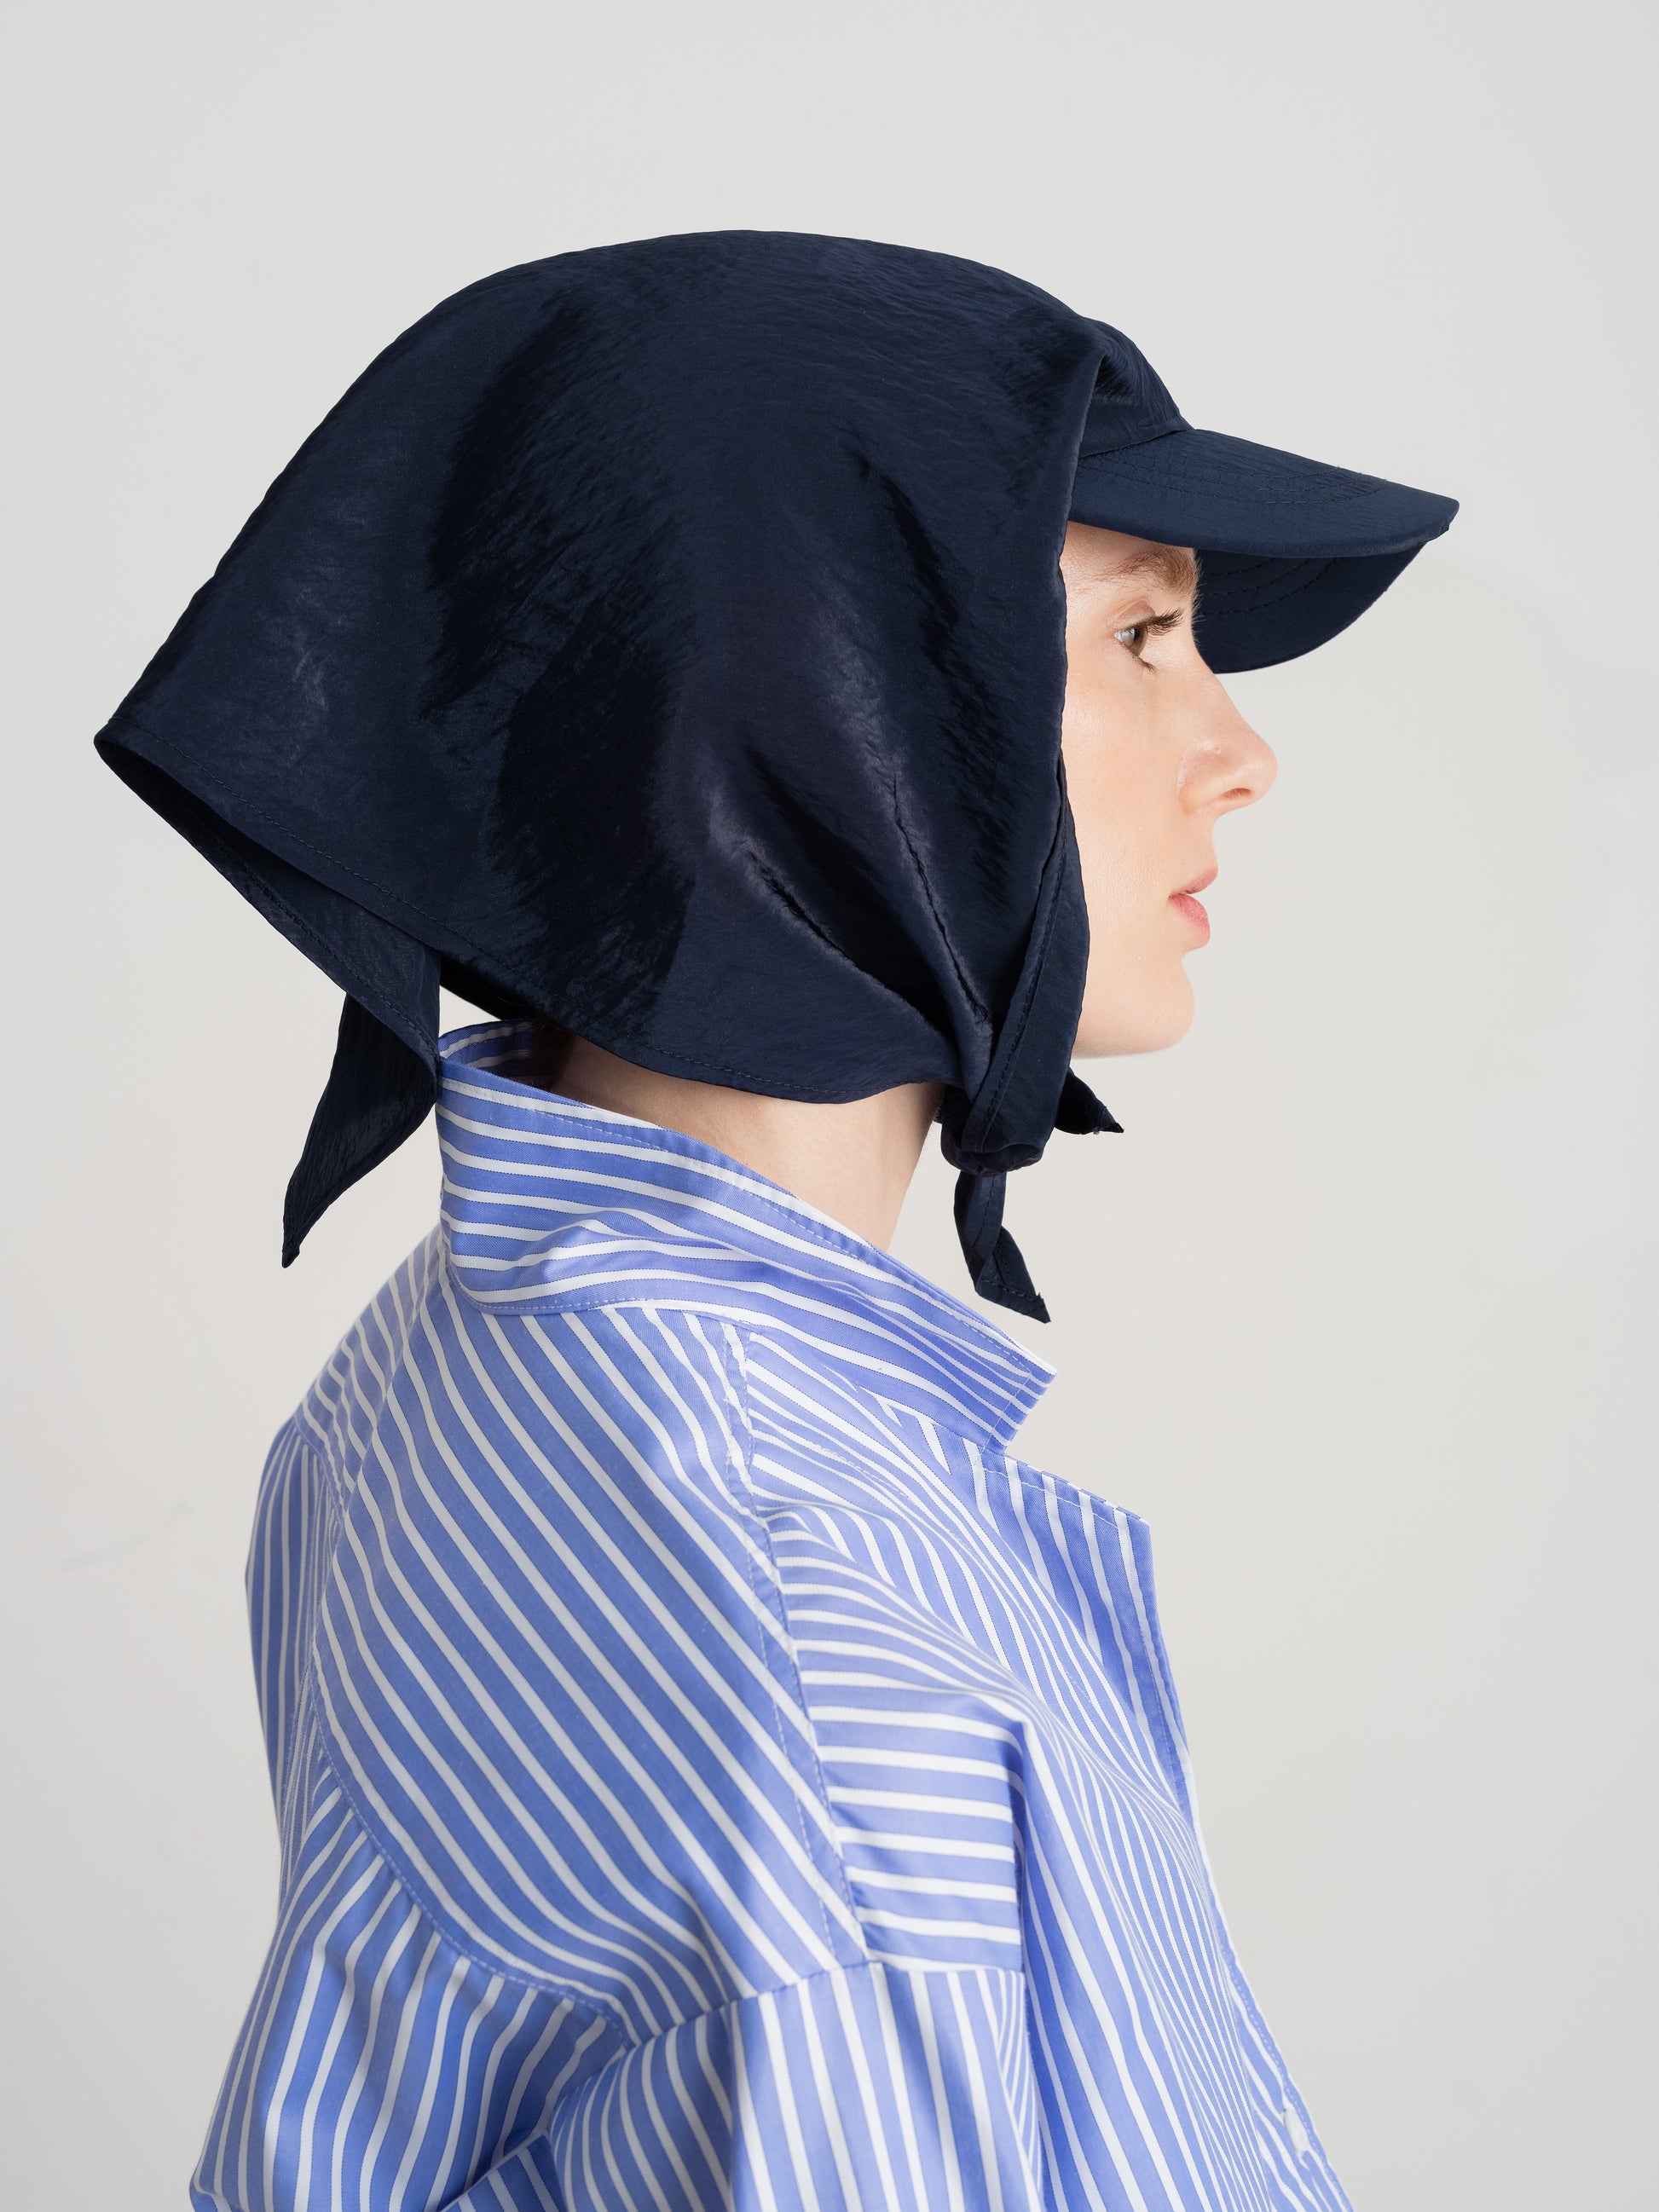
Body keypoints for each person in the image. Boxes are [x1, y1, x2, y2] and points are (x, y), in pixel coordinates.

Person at [97, 232, 1454, 2211]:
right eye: (1141, 638)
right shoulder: (838, 1679)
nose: (1241, 756)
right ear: (819, 704)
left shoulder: (453, 1364)